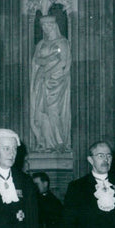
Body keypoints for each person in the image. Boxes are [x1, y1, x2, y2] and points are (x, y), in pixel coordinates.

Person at [30, 15, 71, 151]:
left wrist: (49, 71)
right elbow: (37, 60)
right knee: (42, 112)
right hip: (42, 80)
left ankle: (59, 142)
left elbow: (64, 62)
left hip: (56, 81)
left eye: (49, 25)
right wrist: (50, 59)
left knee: (53, 110)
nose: (46, 29)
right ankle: (45, 143)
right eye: (43, 26)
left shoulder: (62, 42)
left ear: (54, 26)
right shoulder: (41, 44)